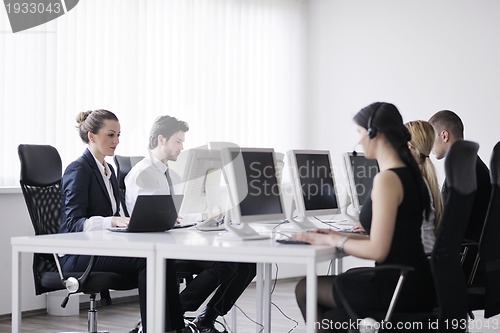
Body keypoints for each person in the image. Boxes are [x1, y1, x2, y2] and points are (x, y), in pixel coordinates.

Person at [293, 102, 436, 331]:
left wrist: (333, 240)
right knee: (333, 310)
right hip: (413, 281)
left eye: (360, 133)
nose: (358, 141)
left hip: (397, 287)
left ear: (374, 133)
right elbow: (392, 239)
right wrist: (335, 233)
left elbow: (378, 250)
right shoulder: (410, 175)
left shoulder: (387, 180)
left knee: (305, 289)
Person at [59, 110, 189, 333]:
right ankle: (155, 329)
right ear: (92, 136)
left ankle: (174, 329)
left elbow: (119, 216)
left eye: (118, 135)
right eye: (110, 135)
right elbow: (72, 224)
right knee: (150, 260)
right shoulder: (79, 168)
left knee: (161, 257)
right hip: (79, 255)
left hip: (102, 248)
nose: (116, 141)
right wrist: (113, 221)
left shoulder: (108, 170)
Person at [125, 115, 256, 333]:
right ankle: (168, 317)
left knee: (247, 265)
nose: (181, 147)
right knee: (223, 264)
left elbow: (173, 217)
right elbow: (148, 221)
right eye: (178, 141)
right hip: (155, 251)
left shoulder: (169, 175)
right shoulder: (142, 173)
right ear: (161, 139)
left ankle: (207, 318)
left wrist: (205, 217)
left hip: (172, 242)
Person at [429, 110, 491, 285]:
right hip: (471, 259)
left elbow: (445, 225)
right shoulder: (471, 163)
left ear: (444, 135)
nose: (430, 146)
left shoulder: (461, 171)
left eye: (431, 137)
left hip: (461, 262)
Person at [405, 120, 443, 253]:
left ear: (409, 147)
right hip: (428, 260)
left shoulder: (410, 183)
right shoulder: (425, 180)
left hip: (413, 266)